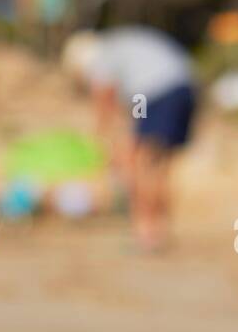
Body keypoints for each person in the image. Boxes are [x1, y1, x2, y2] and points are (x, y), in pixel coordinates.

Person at [62, 27, 197, 252]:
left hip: (156, 93)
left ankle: (145, 231)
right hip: (186, 86)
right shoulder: (120, 45)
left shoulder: (102, 58)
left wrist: (106, 147)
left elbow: (104, 109)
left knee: (140, 164)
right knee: (161, 167)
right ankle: (159, 230)